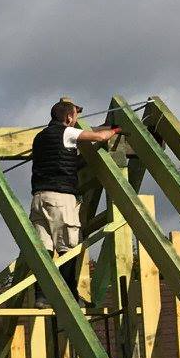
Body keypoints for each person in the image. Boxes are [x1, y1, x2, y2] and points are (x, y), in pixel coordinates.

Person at [30, 98, 121, 256]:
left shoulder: (39, 137)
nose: (75, 120)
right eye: (75, 116)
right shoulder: (67, 132)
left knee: (44, 253)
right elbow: (100, 137)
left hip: (38, 199)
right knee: (68, 250)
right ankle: (67, 275)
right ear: (68, 117)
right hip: (60, 198)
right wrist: (115, 130)